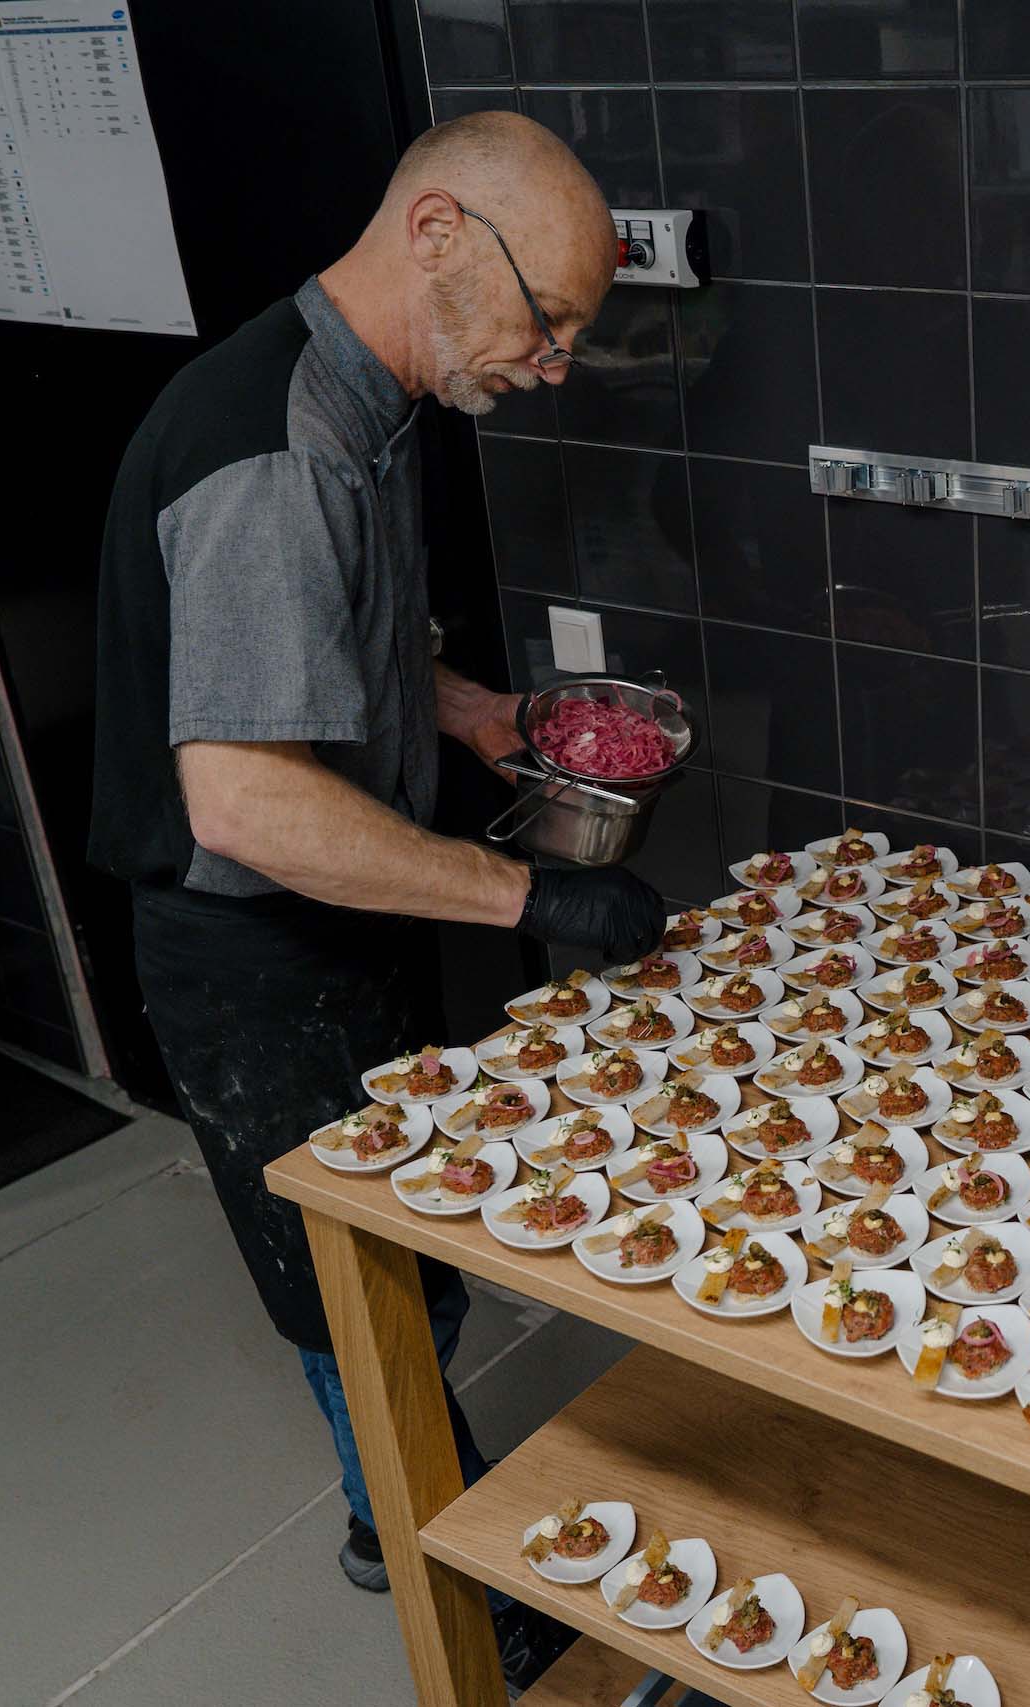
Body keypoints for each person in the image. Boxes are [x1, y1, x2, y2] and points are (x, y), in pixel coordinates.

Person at [87, 111, 663, 1671]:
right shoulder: (278, 453)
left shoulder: (360, 399)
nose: (550, 366)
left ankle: (386, 1496)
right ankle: (427, 1556)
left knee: (404, 1245)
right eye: (547, 321)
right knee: (352, 1290)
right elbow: (250, 796)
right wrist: (526, 899)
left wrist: (473, 717)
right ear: (435, 237)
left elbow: (328, 635)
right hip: (251, 941)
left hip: (337, 915)